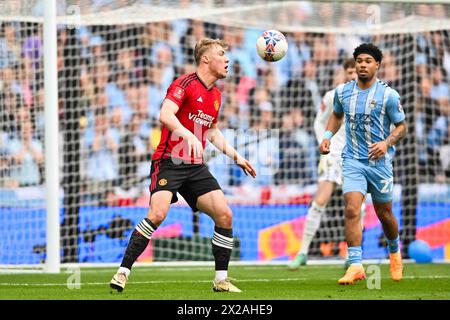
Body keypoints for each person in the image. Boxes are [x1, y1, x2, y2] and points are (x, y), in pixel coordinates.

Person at [110, 38, 256, 293]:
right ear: (205, 59)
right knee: (157, 214)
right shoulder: (183, 84)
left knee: (225, 214)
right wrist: (187, 134)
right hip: (169, 160)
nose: (227, 59)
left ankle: (221, 280)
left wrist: (236, 156)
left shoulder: (216, 95)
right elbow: (165, 115)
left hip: (194, 166)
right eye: (221, 54)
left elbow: (210, 131)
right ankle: (122, 272)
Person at [320, 43, 407, 285]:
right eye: (359, 61)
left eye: (368, 61)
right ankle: (356, 264)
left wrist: (386, 143)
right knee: (351, 209)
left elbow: (402, 126)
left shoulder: (389, 95)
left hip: (379, 163)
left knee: (385, 214)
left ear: (377, 65)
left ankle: (394, 251)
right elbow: (336, 114)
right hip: (353, 160)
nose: (362, 65)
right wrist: (327, 137)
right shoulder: (343, 92)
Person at [288, 59, 359, 270]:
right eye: (349, 71)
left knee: (357, 208)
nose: (353, 75)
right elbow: (318, 121)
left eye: (356, 71)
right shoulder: (333, 95)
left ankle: (353, 256)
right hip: (334, 154)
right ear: (344, 73)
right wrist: (324, 144)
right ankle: (302, 252)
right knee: (319, 200)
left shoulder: (371, 96)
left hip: (357, 156)